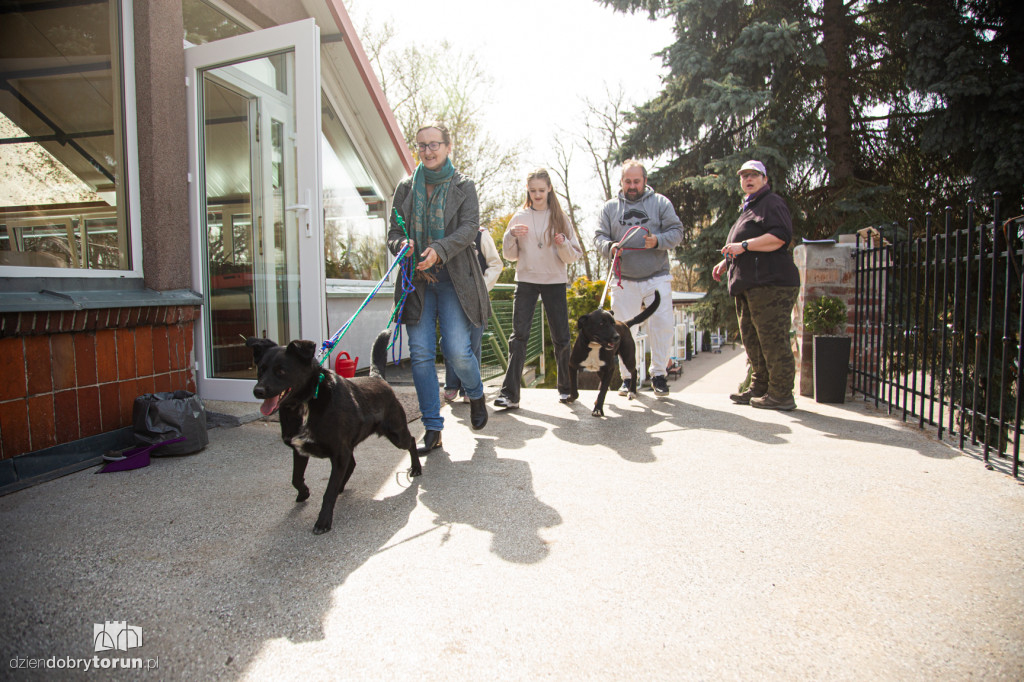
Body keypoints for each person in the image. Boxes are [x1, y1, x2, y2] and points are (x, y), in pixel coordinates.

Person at [388, 122, 490, 454]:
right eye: (422, 146)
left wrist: (440, 250)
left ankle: (475, 394)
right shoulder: (405, 188)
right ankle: (432, 429)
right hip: (415, 282)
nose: (428, 151)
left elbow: (470, 227)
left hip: (453, 280)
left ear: (448, 147)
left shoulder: (464, 185)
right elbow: (393, 232)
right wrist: (402, 243)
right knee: (420, 355)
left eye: (435, 145)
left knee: (458, 350)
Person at [712, 160, 801, 411]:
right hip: (750, 284)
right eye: (744, 176)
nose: (748, 179)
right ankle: (760, 386)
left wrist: (744, 246)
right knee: (753, 339)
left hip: (771, 284)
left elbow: (779, 237)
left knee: (772, 340)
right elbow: (745, 244)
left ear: (764, 179)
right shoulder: (750, 207)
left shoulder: (771, 203)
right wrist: (726, 261)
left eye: (754, 175)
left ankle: (781, 394)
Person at [493, 168, 583, 409]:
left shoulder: (560, 218)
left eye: (541, 190)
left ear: (549, 189)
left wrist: (562, 243)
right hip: (526, 281)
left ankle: (566, 389)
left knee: (561, 337)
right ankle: (510, 394)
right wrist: (510, 236)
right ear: (528, 191)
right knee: (518, 337)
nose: (537, 194)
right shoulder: (519, 217)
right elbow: (510, 256)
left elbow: (573, 257)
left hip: (554, 281)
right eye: (532, 190)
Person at [594, 160, 684, 398]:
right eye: (627, 181)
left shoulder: (660, 203)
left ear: (645, 181)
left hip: (657, 276)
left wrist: (658, 241)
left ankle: (658, 375)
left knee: (662, 325)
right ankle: (628, 378)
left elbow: (677, 232)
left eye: (636, 181)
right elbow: (599, 237)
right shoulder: (610, 208)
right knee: (621, 331)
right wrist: (610, 247)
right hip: (624, 279)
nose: (632, 186)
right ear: (621, 182)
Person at [443, 226, 502, 402]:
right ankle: (452, 384)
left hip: (476, 299)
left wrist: (481, 286)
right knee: (449, 341)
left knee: (473, 343)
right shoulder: (445, 232)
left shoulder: (481, 234)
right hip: (451, 296)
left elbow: (496, 264)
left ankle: (469, 389)